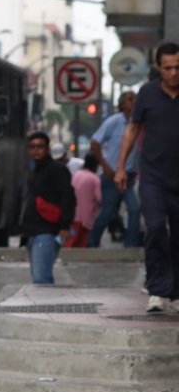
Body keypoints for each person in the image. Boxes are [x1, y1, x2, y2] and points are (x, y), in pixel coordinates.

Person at [114, 41, 179, 314]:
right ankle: (157, 290)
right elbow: (132, 130)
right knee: (154, 228)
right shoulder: (147, 94)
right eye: (168, 68)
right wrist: (120, 167)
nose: (174, 73)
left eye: (178, 67)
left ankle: (175, 292)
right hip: (153, 176)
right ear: (158, 68)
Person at [88, 91, 141, 247]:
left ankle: (131, 245)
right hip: (112, 176)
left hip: (130, 176)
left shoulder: (139, 122)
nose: (134, 102)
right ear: (123, 104)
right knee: (107, 212)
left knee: (134, 209)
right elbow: (94, 143)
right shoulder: (113, 122)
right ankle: (91, 243)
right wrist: (105, 166)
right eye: (130, 99)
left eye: (135, 99)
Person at [21, 131, 76, 284]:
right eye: (32, 147)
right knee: (38, 278)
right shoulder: (35, 171)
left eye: (40, 146)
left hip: (47, 232)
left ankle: (46, 306)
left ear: (47, 148)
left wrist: (65, 226)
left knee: (41, 279)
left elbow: (68, 198)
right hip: (33, 232)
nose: (36, 150)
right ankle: (43, 306)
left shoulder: (57, 170)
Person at [68, 153, 102, 248]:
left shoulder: (75, 174)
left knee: (71, 241)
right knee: (82, 242)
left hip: (72, 214)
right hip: (86, 217)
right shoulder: (95, 179)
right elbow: (99, 198)